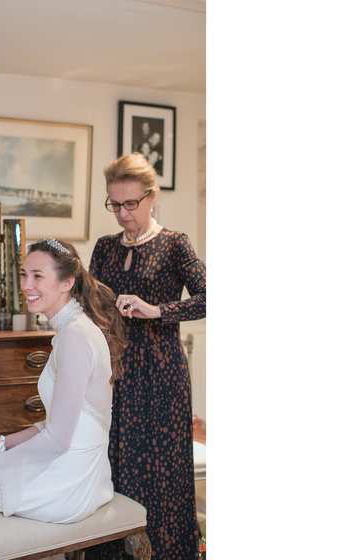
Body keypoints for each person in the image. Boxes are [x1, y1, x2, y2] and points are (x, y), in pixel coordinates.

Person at [0, 237, 127, 524]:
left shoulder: (75, 337)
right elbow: (60, 423)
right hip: (76, 472)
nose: (26, 285)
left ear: (66, 282)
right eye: (24, 274)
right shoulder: (75, 329)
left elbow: (57, 438)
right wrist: (0, 443)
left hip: (69, 484)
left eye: (38, 276)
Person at [86, 152, 206, 559]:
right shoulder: (103, 249)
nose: (121, 213)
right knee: (116, 465)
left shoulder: (175, 245)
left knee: (160, 472)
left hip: (162, 375)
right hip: (115, 373)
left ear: (151, 197)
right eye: (114, 204)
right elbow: (91, 304)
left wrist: (158, 310)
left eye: (130, 204)